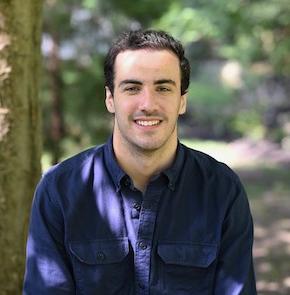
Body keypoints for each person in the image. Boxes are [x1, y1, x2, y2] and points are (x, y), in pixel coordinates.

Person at [23, 29, 257, 294]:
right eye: (132, 88)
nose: (148, 104)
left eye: (163, 88)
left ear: (182, 101)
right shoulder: (59, 191)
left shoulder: (223, 191)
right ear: (110, 99)